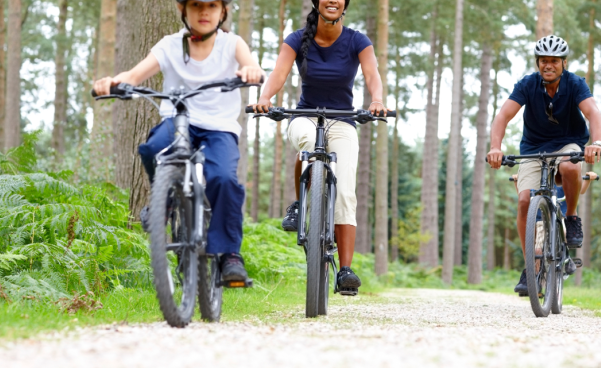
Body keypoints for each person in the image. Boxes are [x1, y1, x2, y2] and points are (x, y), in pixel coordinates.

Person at [92, 0, 264, 283]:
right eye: (196, 5)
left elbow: (251, 66)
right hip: (179, 119)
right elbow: (134, 75)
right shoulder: (170, 45)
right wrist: (112, 82)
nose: (204, 12)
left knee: (222, 178)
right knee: (152, 148)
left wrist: (251, 72)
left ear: (223, 11)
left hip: (219, 128)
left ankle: (229, 254)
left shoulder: (233, 44)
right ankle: (165, 199)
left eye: (211, 5)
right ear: (183, 10)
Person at [251, 0, 388, 295]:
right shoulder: (297, 39)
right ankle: (301, 203)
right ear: (316, 2)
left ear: (345, 5)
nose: (332, 0)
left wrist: (376, 100)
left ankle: (346, 270)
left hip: (343, 120)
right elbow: (279, 73)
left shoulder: (357, 40)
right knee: (308, 144)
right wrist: (265, 97)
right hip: (305, 115)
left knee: (346, 191)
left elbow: (372, 74)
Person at [486, 35, 601, 294]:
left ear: (563, 63)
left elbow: (593, 112)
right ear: (538, 63)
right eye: (543, 61)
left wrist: (596, 142)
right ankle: (531, 267)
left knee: (571, 167)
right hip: (533, 149)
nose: (548, 65)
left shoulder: (575, 84)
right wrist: (495, 147)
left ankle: (571, 217)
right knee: (525, 201)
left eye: (553, 61)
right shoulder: (527, 85)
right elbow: (502, 117)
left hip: (568, 144)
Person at [511, 172, 598, 295]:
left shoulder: (563, 179)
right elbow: (524, 195)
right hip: (541, 220)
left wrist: (588, 180)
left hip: (560, 218)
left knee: (565, 232)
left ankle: (566, 257)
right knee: (537, 251)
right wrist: (517, 182)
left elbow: (580, 191)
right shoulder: (536, 181)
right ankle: (536, 282)